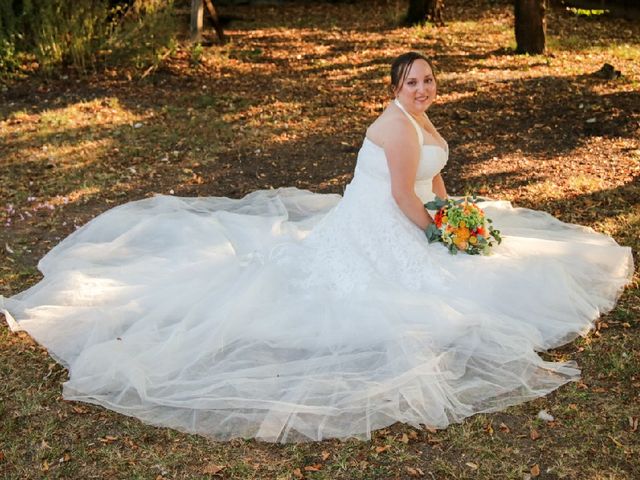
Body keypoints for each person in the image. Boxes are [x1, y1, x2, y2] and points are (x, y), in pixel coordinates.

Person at [1, 52, 633, 443]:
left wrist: (458, 211)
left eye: (429, 80)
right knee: (415, 294)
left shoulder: (424, 120)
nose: (423, 89)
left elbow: (432, 180)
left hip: (408, 207)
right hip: (379, 222)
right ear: (394, 86)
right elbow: (404, 199)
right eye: (413, 82)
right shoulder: (396, 125)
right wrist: (443, 236)